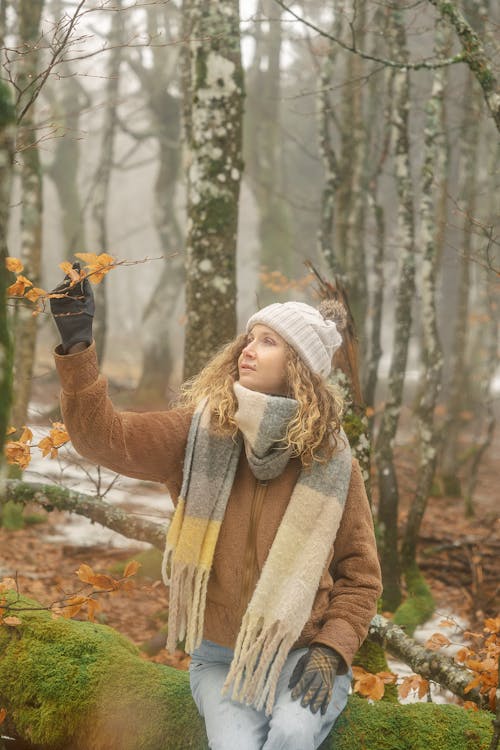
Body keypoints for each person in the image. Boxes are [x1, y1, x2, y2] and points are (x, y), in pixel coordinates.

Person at [50, 268, 382, 750]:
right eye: (249, 338)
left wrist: (332, 651)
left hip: (302, 655)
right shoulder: (201, 434)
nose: (247, 348)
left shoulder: (330, 461)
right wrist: (78, 349)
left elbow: (361, 575)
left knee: (292, 733)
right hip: (221, 657)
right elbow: (105, 440)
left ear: (299, 366)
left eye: (267, 341)